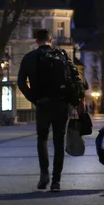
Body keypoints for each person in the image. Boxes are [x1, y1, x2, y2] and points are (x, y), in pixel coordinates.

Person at [18, 29, 85, 192]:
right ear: (51, 40)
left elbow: (21, 82)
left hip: (43, 104)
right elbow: (75, 77)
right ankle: (56, 181)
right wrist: (75, 101)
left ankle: (44, 174)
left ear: (36, 41)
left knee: (42, 139)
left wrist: (34, 98)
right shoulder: (61, 55)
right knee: (58, 141)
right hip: (61, 104)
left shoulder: (30, 57)